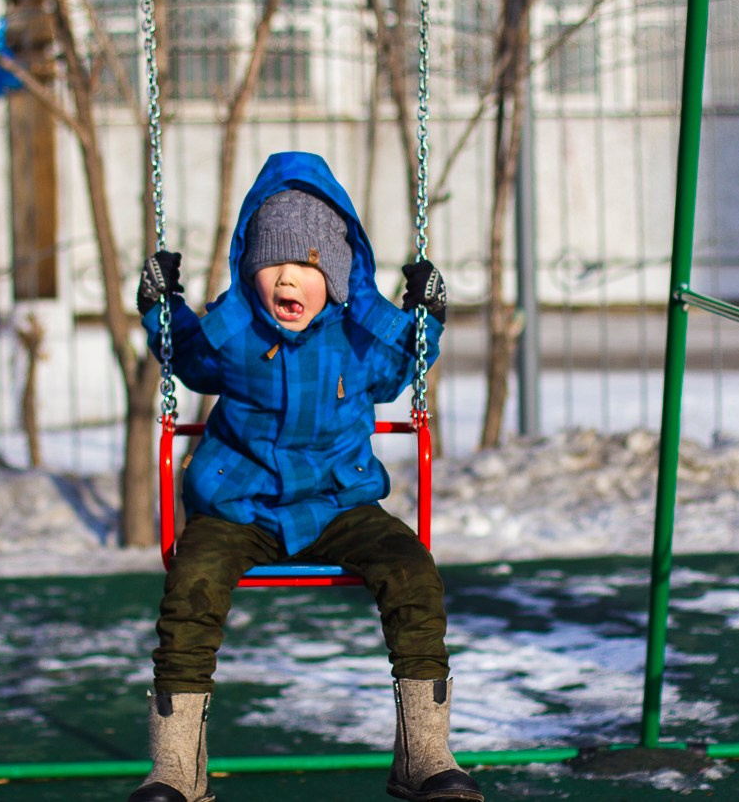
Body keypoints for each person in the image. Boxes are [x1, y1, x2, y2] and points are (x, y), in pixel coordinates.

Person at [130, 151, 481, 802]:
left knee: (411, 571)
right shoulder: (233, 333)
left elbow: (399, 368)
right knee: (191, 589)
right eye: (273, 263)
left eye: (308, 266)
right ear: (248, 268)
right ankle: (176, 766)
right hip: (241, 505)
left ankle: (425, 753)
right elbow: (189, 355)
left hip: (340, 500)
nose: (288, 279)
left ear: (340, 275)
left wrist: (424, 316)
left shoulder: (359, 338)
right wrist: (160, 304)